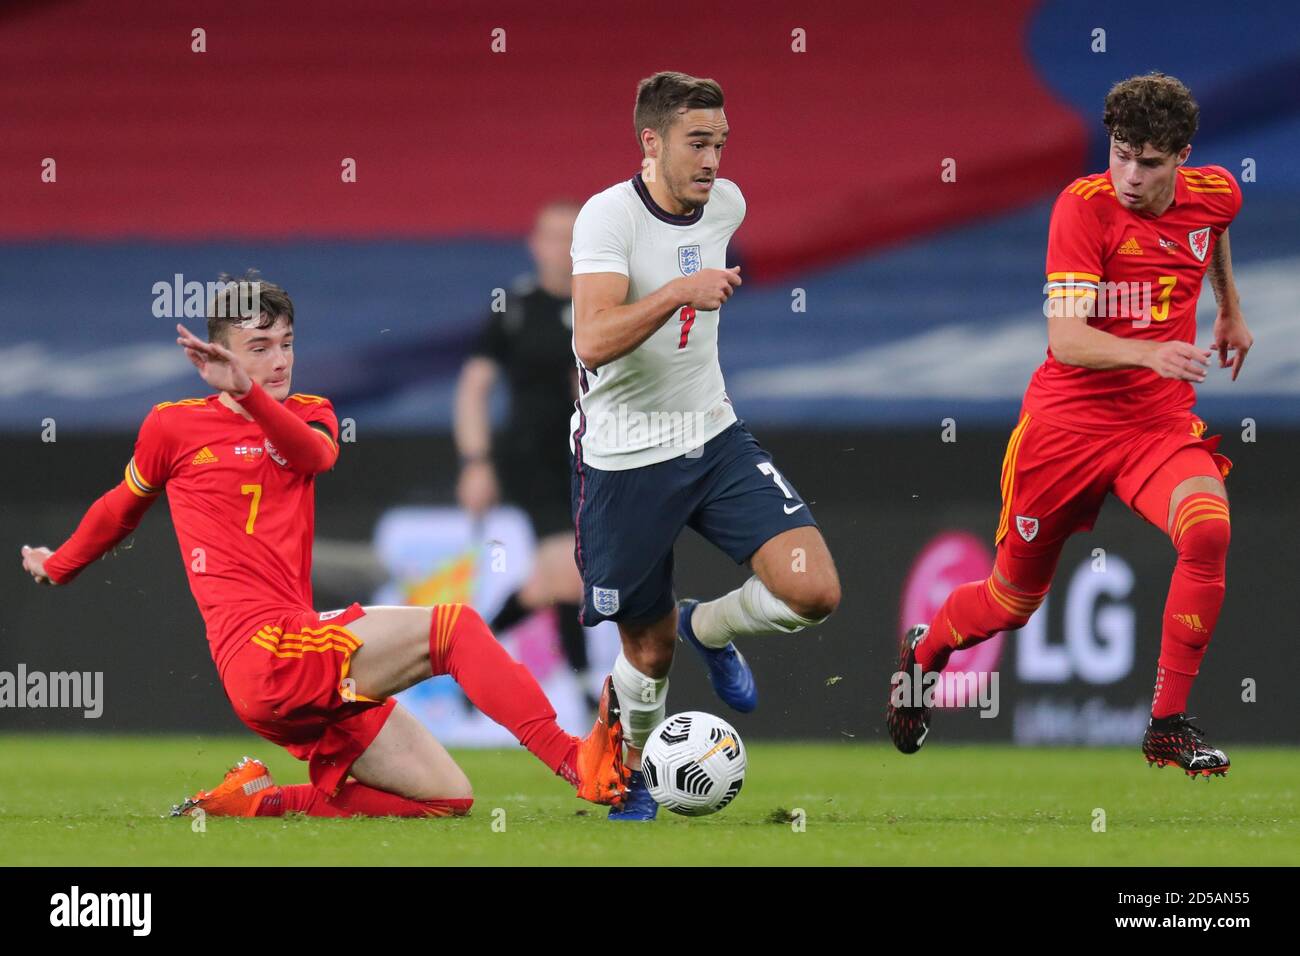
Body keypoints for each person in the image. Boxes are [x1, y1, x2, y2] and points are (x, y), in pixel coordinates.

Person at [19, 273, 628, 818]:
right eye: (258, 348)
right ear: (218, 355)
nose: (279, 360)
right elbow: (120, 507)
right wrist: (61, 564)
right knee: (456, 630)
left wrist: (252, 395)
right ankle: (579, 764)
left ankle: (260, 801)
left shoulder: (311, 413)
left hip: (300, 651)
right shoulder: (171, 426)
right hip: (262, 654)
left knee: (445, 798)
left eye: (286, 343)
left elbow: (312, 456)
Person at [886, 73, 1252, 778]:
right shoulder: (1083, 210)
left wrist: (1229, 308)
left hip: (1155, 425)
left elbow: (1215, 229)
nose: (1130, 176)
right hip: (1066, 430)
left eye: (1149, 162)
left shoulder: (1215, 192)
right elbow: (1067, 339)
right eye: (1119, 154)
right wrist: (1152, 349)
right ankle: (925, 650)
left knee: (1208, 529)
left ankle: (1167, 725)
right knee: (1010, 603)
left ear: (1183, 156)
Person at [570, 72, 842, 820]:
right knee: (647, 654)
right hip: (624, 459)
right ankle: (633, 770)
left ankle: (707, 625)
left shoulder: (727, 204)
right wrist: (674, 296)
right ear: (651, 143)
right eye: (697, 142)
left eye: (720, 143)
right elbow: (590, 340)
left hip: (711, 435)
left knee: (813, 589)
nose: (713, 159)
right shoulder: (607, 218)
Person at [454, 200, 597, 710]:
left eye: (571, 237)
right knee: (569, 570)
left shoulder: (598, 304)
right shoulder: (512, 307)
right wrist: (476, 460)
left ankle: (467, 658)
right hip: (528, 457)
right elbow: (474, 387)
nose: (561, 247)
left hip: (583, 459)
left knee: (553, 580)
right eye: (552, 236)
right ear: (535, 244)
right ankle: (580, 689)